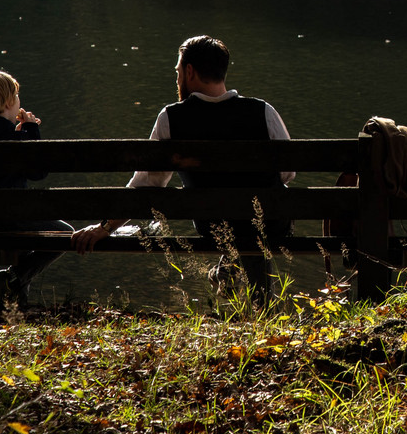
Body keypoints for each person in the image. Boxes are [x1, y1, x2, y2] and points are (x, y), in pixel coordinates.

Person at [72, 35, 291, 294]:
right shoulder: (263, 111)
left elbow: (145, 186)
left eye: (178, 72)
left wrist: (105, 227)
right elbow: (288, 173)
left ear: (189, 71)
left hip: (214, 228)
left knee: (236, 223)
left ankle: (233, 281)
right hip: (269, 223)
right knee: (254, 219)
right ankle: (256, 301)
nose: (177, 79)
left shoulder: (171, 118)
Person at [0, 69, 70, 302]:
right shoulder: (13, 138)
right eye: (17, 96)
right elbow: (39, 172)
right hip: (11, 218)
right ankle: (14, 280)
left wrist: (20, 137)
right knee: (64, 232)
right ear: (8, 102)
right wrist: (30, 131)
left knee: (20, 234)